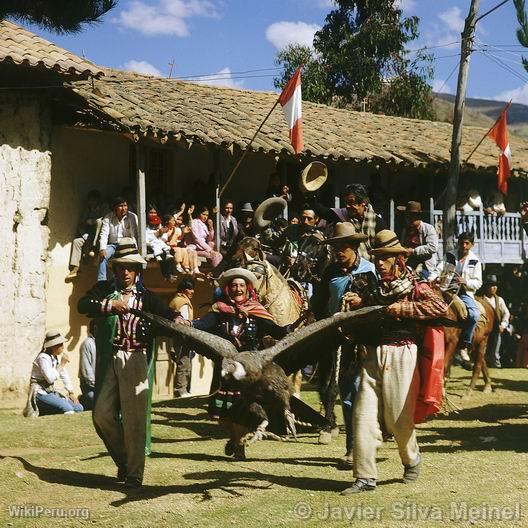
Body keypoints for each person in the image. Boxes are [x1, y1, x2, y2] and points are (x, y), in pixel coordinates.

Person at [341, 230, 448, 494]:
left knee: (398, 420)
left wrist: (403, 309)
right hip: (371, 355)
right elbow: (368, 307)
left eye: (386, 258)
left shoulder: (415, 285)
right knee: (362, 415)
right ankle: (365, 477)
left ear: (399, 259)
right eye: (377, 257)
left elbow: (440, 308)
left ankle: (412, 459)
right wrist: (357, 303)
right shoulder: (371, 285)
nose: (380, 263)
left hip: (403, 355)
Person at [78, 238, 176, 488]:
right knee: (101, 413)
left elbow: (168, 317)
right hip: (110, 357)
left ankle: (134, 473)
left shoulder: (148, 298)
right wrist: (110, 305)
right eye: (121, 267)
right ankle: (124, 459)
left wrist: (180, 319)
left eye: (130, 267)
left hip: (136, 359)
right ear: (115, 269)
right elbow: (83, 305)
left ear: (137, 271)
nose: (125, 272)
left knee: (134, 417)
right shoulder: (103, 290)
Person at [179, 268, 288, 421]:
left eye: (242, 286)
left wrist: (286, 330)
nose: (238, 289)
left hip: (249, 367)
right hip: (226, 365)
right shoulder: (219, 309)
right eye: (234, 286)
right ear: (228, 289)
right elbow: (204, 324)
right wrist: (188, 323)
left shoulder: (257, 311)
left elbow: (273, 329)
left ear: (247, 288)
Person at [311, 223, 377, 466]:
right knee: (348, 394)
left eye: (343, 247)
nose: (339, 251)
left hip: (368, 341)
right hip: (341, 342)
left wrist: (362, 300)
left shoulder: (371, 271)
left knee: (369, 394)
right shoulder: (330, 273)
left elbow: (380, 301)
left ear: (355, 247)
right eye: (336, 247)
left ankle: (373, 439)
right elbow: (318, 304)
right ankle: (352, 448)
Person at [305, 183, 386, 260]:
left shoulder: (378, 223)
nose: (347, 206)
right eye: (346, 202)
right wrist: (309, 196)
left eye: (351, 202)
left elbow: (385, 249)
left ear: (363, 202)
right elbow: (324, 212)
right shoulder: (343, 216)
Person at [24, 330, 83, 417]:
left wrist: (71, 392)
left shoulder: (54, 357)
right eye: (60, 345)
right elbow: (50, 378)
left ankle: (51, 408)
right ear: (53, 346)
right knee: (68, 409)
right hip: (40, 393)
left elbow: (64, 374)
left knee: (78, 408)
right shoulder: (43, 358)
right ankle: (45, 408)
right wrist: (62, 364)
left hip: (50, 391)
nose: (63, 347)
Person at [445, 231, 483, 367]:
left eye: (467, 243)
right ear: (458, 243)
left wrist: (465, 281)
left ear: (472, 245)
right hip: (447, 290)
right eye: (462, 242)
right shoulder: (450, 255)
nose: (464, 246)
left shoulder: (475, 260)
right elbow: (440, 270)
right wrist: (435, 278)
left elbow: (478, 283)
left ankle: (464, 344)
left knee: (474, 314)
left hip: (464, 293)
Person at [67, 189, 109, 279]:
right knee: (76, 241)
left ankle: (94, 247)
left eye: (93, 200)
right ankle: (75, 267)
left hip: (102, 237)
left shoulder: (104, 207)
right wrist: (85, 236)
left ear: (98, 200)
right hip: (89, 236)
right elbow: (81, 224)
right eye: (90, 200)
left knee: (98, 221)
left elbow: (107, 220)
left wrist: (93, 221)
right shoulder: (87, 209)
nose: (91, 202)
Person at [98, 196, 139, 282]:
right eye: (121, 206)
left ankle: (136, 282)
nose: (123, 208)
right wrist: (102, 249)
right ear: (115, 207)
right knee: (103, 256)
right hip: (113, 246)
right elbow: (104, 234)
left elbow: (134, 235)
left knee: (133, 261)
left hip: (127, 246)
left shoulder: (132, 217)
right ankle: (101, 281)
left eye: (125, 205)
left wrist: (135, 249)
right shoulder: (108, 217)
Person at [169, 278, 196, 397]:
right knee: (184, 363)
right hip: (183, 336)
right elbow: (183, 322)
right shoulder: (182, 303)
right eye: (190, 289)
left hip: (176, 336)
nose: (192, 291)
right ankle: (181, 390)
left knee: (184, 362)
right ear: (184, 291)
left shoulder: (176, 300)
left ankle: (183, 389)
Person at [399, 201, 439, 280]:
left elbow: (433, 247)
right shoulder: (404, 230)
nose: (410, 219)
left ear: (418, 217)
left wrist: (413, 251)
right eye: (408, 216)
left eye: (413, 216)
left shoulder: (428, 229)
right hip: (408, 265)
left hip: (425, 267)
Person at [483, 275, 510, 368]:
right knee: (483, 350)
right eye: (491, 285)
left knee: (495, 352)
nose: (494, 288)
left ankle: (496, 366)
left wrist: (503, 325)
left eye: (495, 285)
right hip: (484, 329)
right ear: (487, 287)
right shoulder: (481, 300)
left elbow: (506, 313)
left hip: (496, 329)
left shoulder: (499, 300)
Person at [79, 320, 97, 410]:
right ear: (95, 329)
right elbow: (87, 372)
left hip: (101, 386)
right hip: (90, 386)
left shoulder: (102, 343)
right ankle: (84, 400)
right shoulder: (87, 344)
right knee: (97, 402)